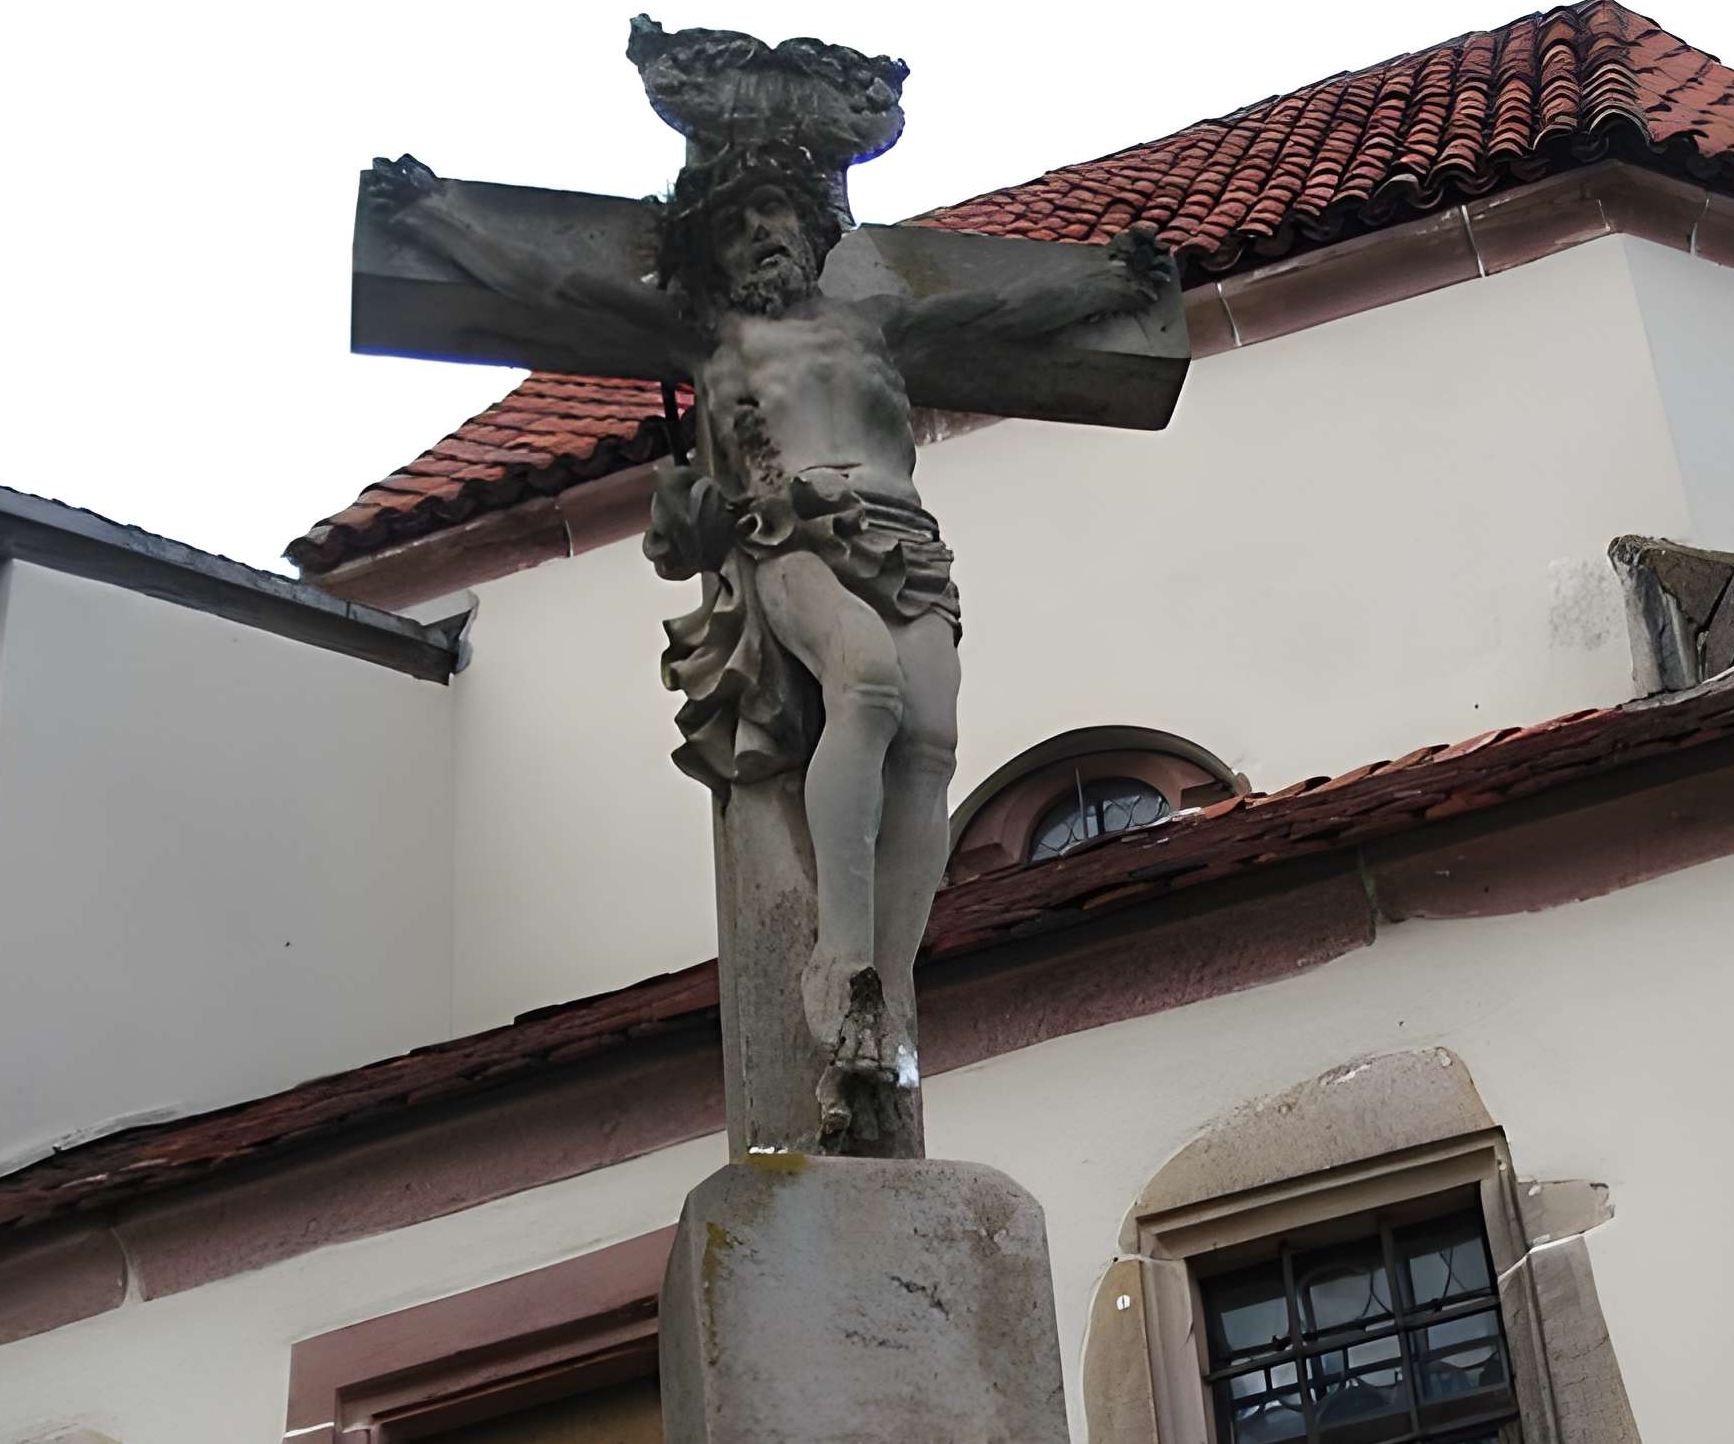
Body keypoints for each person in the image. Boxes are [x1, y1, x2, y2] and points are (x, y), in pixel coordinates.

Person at [367, 147, 1166, 1143]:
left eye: (781, 221)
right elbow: (557, 282)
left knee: (929, 751)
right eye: (744, 225)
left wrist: (1109, 278)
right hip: (789, 531)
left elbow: (1007, 315)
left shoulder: (880, 324)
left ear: (813, 237)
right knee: (864, 690)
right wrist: (438, 218)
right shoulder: (710, 334)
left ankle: (886, 981)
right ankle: (840, 954)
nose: (766, 238)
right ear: (715, 247)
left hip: (904, 535)